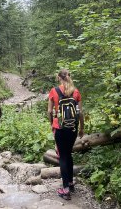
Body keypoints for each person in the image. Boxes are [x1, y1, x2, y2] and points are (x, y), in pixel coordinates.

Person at [47, 69, 84, 200]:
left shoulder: (54, 91)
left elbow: (50, 111)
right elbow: (80, 112)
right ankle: (70, 183)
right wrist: (81, 129)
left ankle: (65, 190)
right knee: (68, 153)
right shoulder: (76, 91)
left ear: (59, 78)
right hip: (73, 127)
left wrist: (53, 124)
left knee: (62, 156)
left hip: (60, 127)